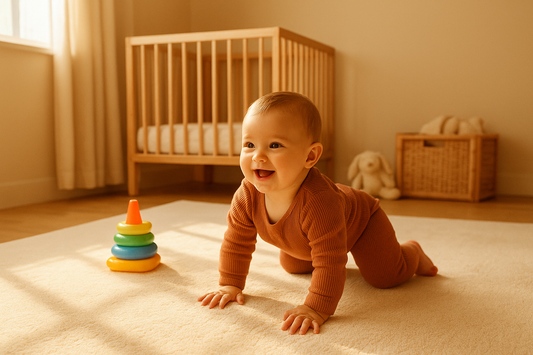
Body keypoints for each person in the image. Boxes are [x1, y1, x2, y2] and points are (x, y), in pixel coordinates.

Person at [198, 91, 438, 335]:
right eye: (249, 145)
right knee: (292, 265)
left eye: (274, 145)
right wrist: (230, 284)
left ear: (310, 156)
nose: (258, 156)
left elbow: (331, 261)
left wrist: (316, 307)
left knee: (384, 276)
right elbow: (236, 242)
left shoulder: (319, 203)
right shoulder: (247, 194)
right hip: (304, 238)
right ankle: (304, 244)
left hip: (362, 223)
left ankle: (413, 253)